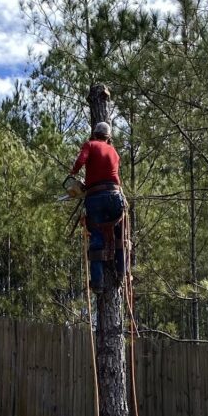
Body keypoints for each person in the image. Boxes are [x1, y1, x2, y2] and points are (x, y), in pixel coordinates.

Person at [70, 121, 125, 292]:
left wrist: (73, 173)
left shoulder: (90, 145)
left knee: (96, 237)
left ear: (95, 134)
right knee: (119, 235)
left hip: (96, 197)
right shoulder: (114, 152)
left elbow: (81, 160)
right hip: (115, 195)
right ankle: (121, 272)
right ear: (108, 137)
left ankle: (98, 283)